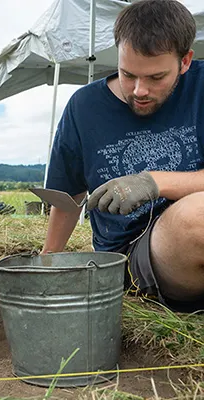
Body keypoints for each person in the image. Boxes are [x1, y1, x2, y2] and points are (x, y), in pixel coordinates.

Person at [42, 0, 204, 312]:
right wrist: (48, 261)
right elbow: (68, 196)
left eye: (156, 78)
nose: (139, 90)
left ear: (185, 61)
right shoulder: (84, 108)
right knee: (198, 218)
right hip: (133, 258)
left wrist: (155, 182)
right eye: (128, 74)